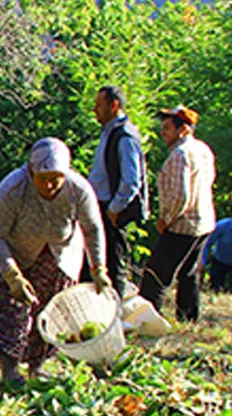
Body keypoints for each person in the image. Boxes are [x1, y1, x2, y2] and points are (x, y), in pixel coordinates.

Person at [0, 138, 109, 385]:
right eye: (43, 178)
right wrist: (12, 276)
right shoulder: (12, 189)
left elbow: (92, 229)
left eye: (56, 178)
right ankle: (9, 368)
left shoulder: (78, 190)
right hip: (13, 252)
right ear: (31, 172)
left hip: (58, 253)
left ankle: (37, 366)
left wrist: (99, 267)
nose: (49, 185)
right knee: (5, 308)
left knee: (49, 311)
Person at [139, 105, 216, 322]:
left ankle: (146, 321)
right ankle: (188, 319)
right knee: (189, 273)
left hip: (181, 225)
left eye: (167, 128)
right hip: (203, 222)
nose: (163, 132)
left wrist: (166, 219)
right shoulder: (203, 149)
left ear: (183, 130)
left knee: (156, 275)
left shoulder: (180, 155)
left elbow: (180, 196)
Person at [86, 85, 148, 292]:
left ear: (114, 105)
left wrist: (114, 209)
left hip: (111, 211)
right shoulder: (110, 132)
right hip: (101, 206)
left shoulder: (124, 136)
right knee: (95, 265)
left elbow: (131, 180)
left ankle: (116, 308)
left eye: (99, 105)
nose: (95, 110)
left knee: (114, 267)